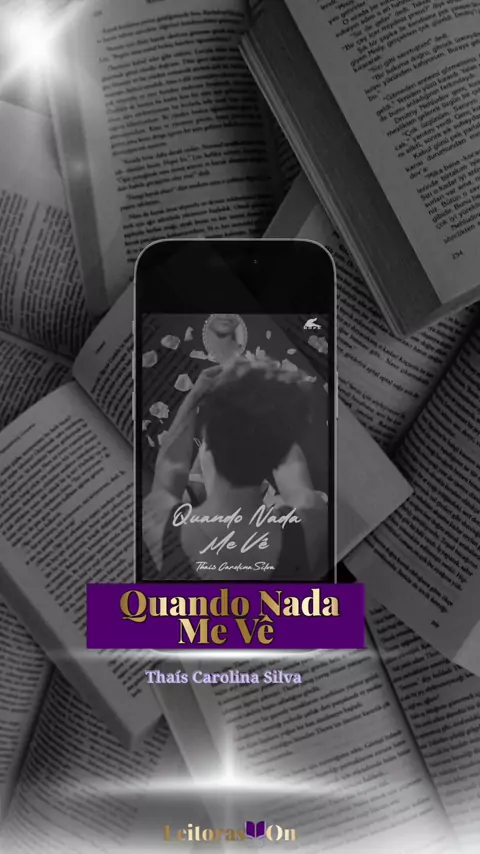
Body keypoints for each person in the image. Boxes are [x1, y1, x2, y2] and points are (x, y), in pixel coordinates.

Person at [142, 357, 329, 581]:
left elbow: (169, 470)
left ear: (207, 439)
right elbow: (294, 476)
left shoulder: (160, 524)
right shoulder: (311, 521)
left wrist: (195, 397)